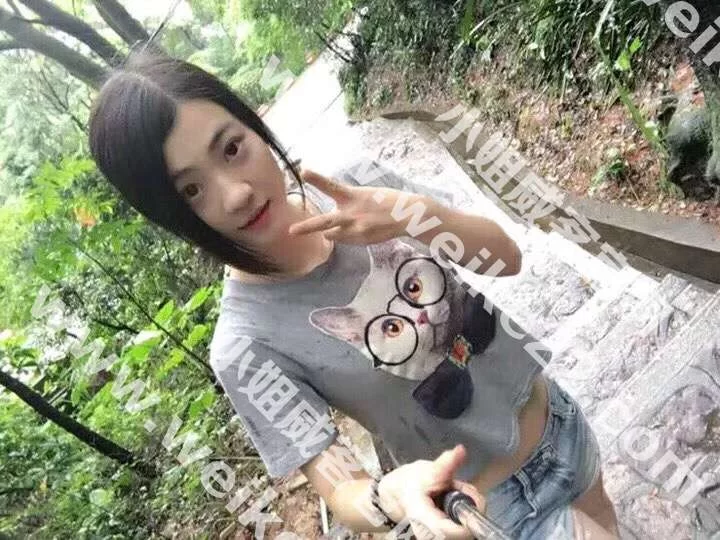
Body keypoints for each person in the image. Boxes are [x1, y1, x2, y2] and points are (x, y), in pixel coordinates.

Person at [88, 48, 619, 539]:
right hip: (493, 509)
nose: (236, 193)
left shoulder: (356, 186)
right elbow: (338, 484)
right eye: (191, 190)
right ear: (172, 216)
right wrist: (391, 496)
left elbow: (505, 258)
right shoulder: (245, 344)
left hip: (557, 419)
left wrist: (412, 215)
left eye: (232, 148)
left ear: (252, 124)